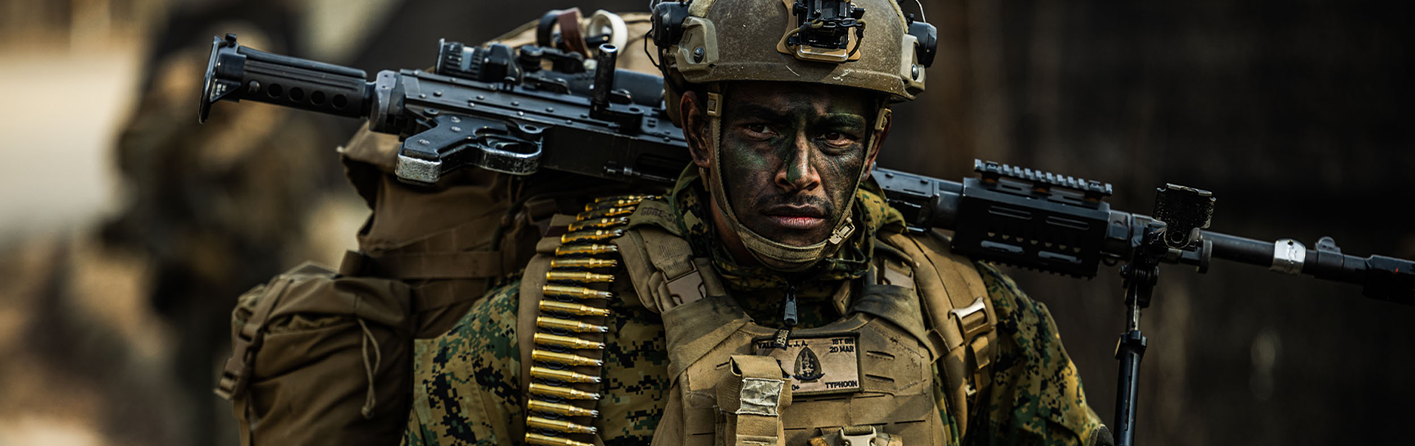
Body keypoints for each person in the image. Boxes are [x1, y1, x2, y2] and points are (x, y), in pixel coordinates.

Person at [400, 1, 1112, 445]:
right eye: (763, 128)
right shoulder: (552, 320)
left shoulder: (969, 319)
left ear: (876, 145)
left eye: (834, 136)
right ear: (699, 132)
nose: (799, 171)